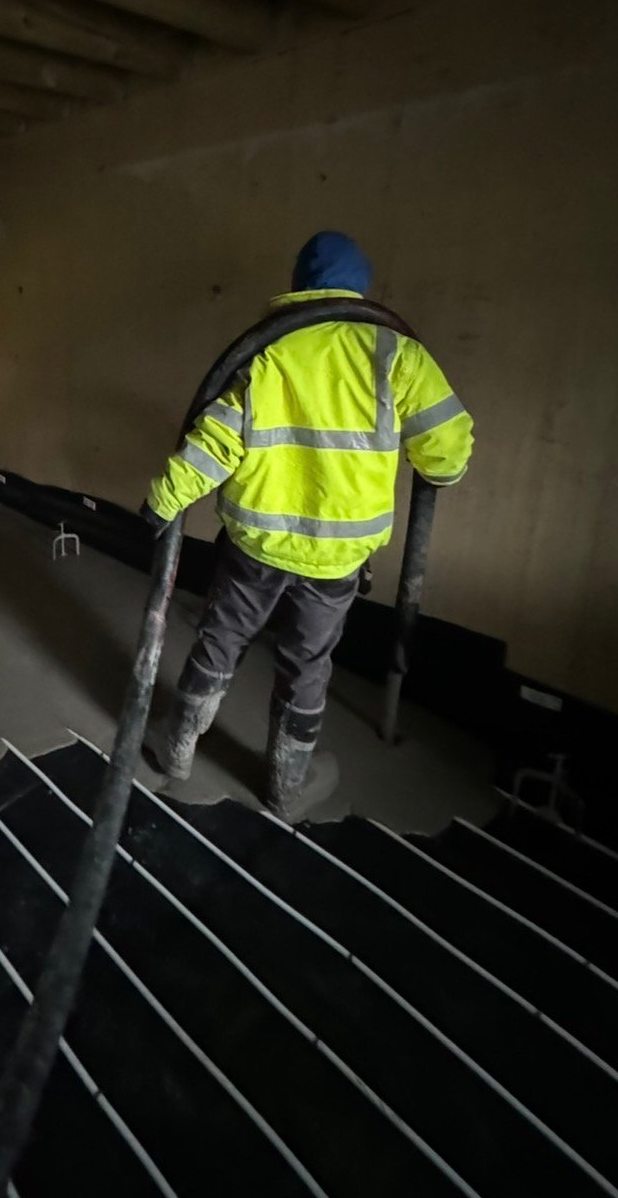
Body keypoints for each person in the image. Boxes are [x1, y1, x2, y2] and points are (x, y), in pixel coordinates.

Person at [140, 231, 473, 821]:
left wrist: (162, 503)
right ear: (359, 286)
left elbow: (213, 443)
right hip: (337, 559)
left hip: (256, 546)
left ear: (299, 285)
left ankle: (177, 748)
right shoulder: (396, 354)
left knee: (221, 638)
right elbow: (446, 453)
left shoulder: (270, 351)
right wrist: (434, 468)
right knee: (308, 662)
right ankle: (283, 784)